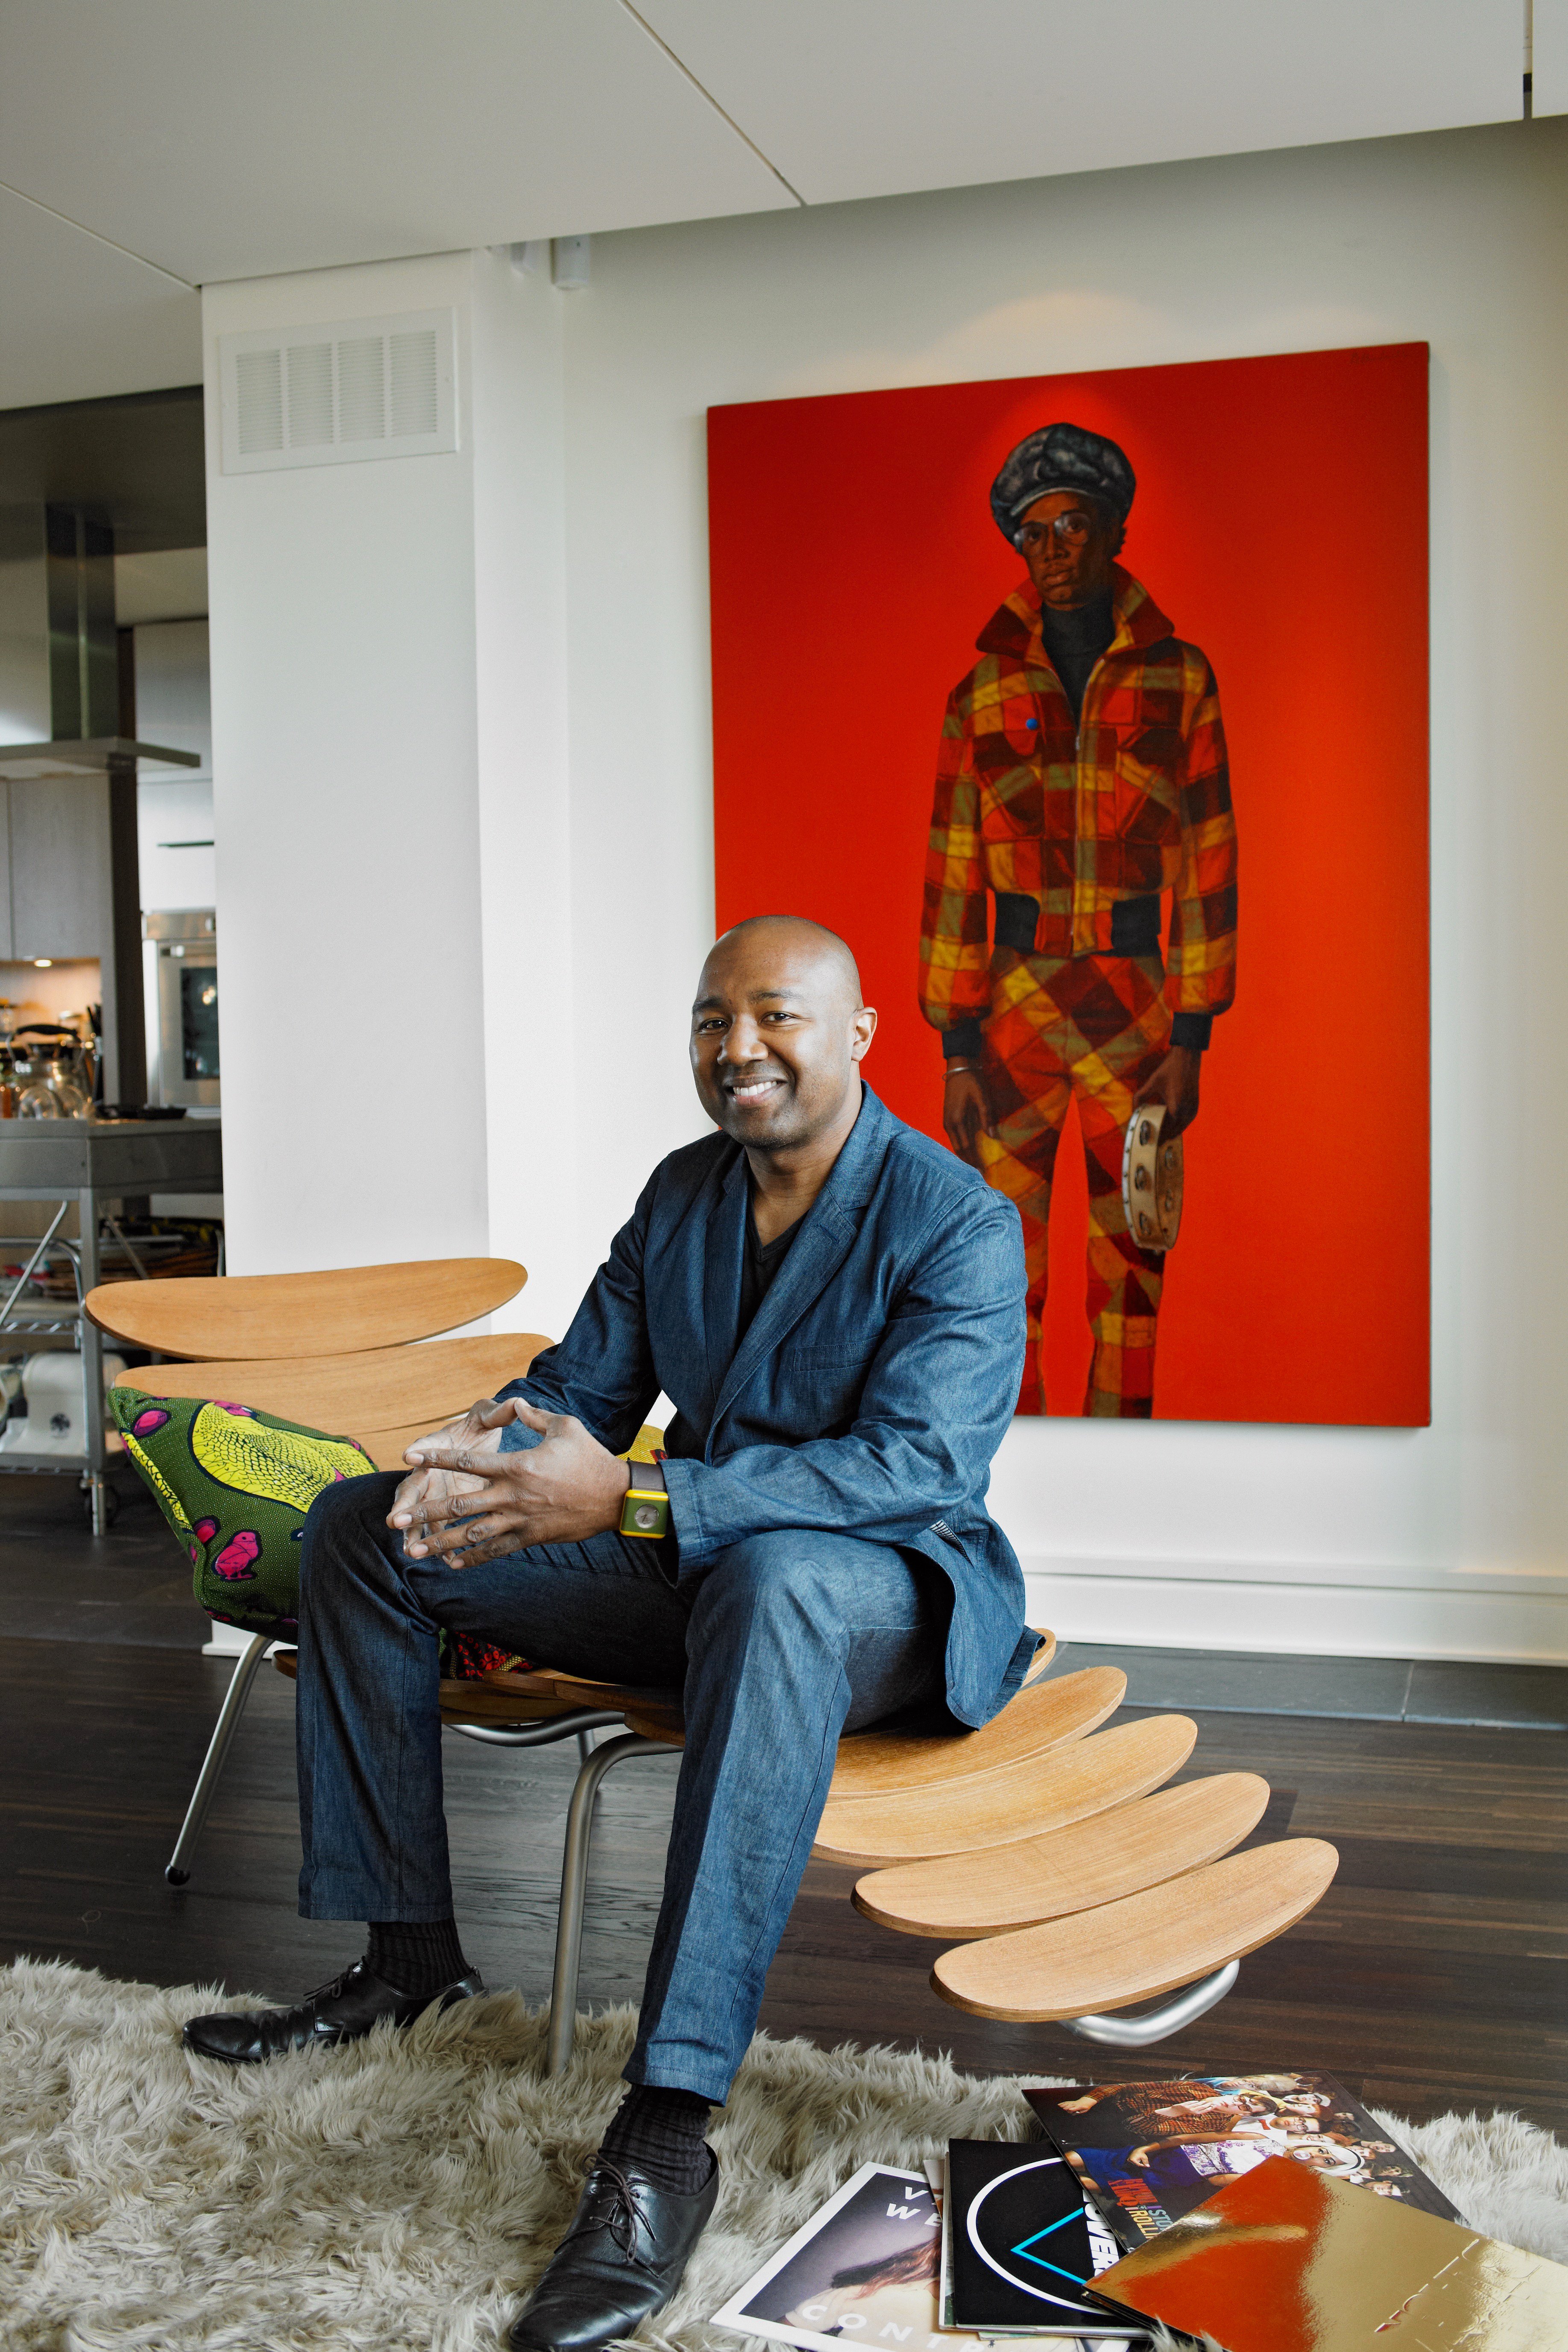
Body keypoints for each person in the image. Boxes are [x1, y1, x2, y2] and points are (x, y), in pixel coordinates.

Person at [182, 913, 1032, 2352]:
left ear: (860, 1033)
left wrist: (634, 1490)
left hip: (877, 1591)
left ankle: (670, 2120)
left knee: (775, 1585)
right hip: (690, 1568)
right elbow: (586, 1382)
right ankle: (406, 1957)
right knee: (356, 1526)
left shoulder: (956, 1218)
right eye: (710, 1019)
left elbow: (914, 1467)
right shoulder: (683, 1193)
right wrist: (482, 1453)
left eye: (775, 1015)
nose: (737, 1047)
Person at [919, 420, 1238, 1415]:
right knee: (996, 1268)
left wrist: (1192, 1034)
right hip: (1012, 1010)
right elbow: (952, 869)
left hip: (1134, 1011)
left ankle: (1122, 1457)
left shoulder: (1179, 679)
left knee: (1133, 1257)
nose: (1056, 552)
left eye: (1075, 526)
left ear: (1115, 532)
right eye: (1037, 534)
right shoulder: (979, 694)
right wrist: (959, 1050)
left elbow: (1212, 862)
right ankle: (1012, 1465)